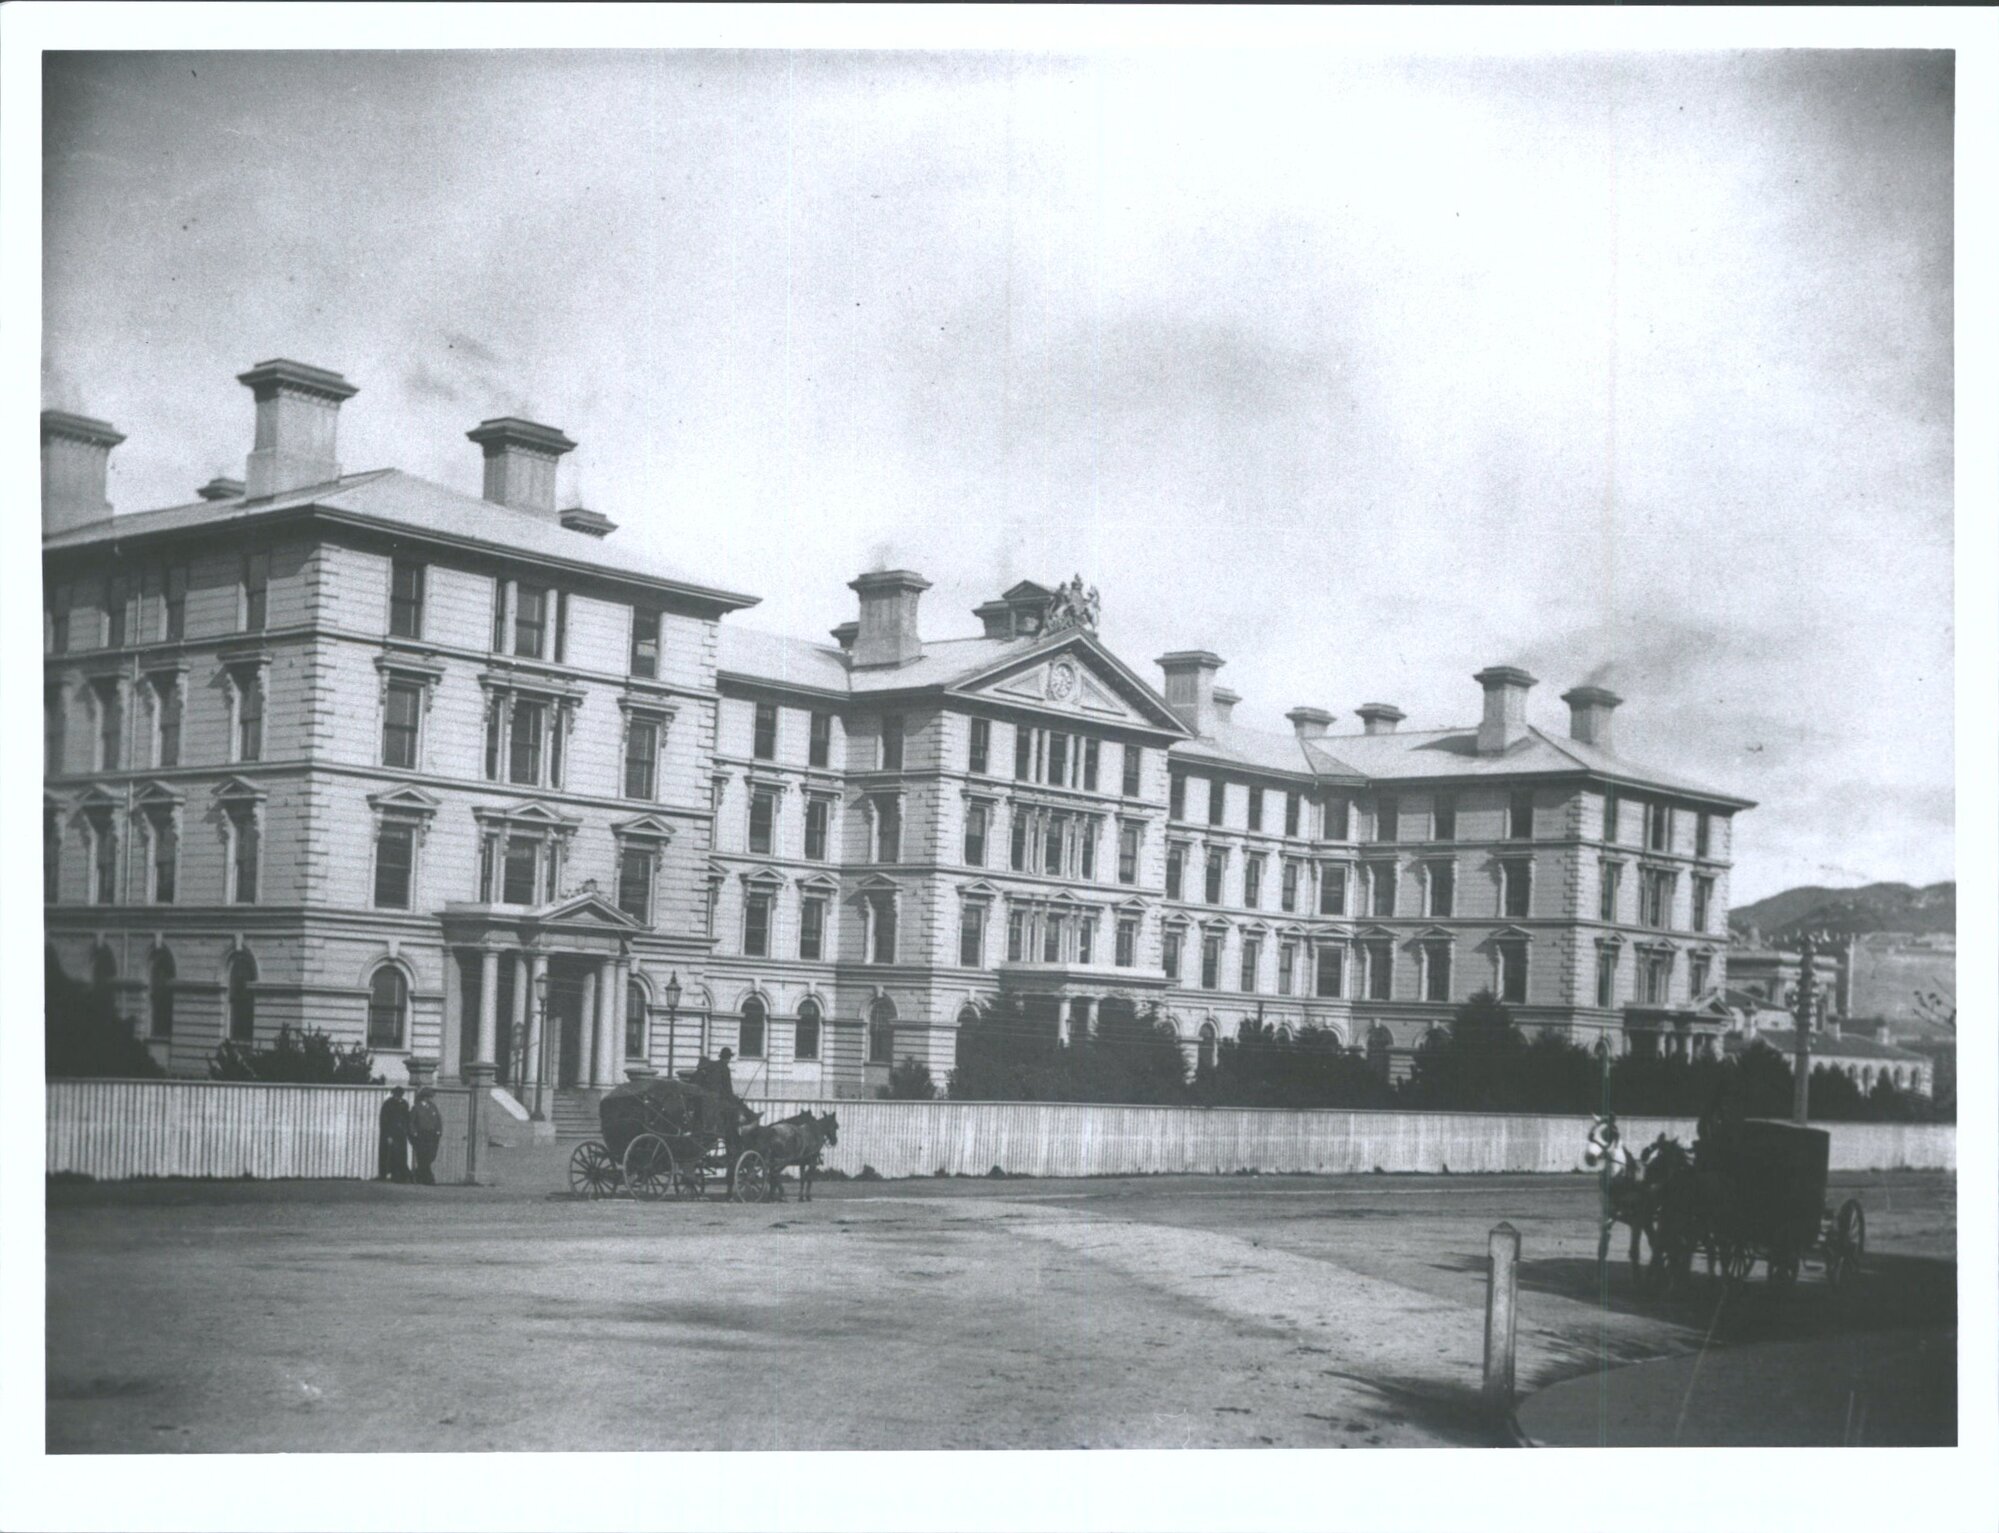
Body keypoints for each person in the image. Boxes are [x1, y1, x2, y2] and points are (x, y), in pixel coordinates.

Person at [692, 1047, 758, 1192]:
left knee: (733, 1105)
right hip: (719, 1101)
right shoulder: (724, 1068)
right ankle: (744, 1123)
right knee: (737, 1106)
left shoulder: (710, 1066)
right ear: (728, 1058)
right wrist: (736, 1099)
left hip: (706, 1100)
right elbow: (727, 1090)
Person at [409, 1087, 444, 1185]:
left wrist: (439, 1131)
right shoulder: (416, 1107)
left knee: (431, 1155)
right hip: (421, 1135)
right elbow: (411, 1122)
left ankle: (417, 1174)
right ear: (424, 1097)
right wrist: (414, 1133)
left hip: (432, 1135)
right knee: (423, 1157)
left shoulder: (433, 1107)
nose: (430, 1099)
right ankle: (428, 1179)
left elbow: (438, 1120)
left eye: (430, 1097)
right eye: (428, 1097)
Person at [377, 1086, 411, 1183]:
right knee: (389, 1154)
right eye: (397, 1094)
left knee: (400, 1154)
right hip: (391, 1132)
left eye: (400, 1094)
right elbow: (384, 1120)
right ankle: (385, 1174)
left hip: (401, 1133)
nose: (398, 1096)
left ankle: (399, 1175)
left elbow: (407, 1118)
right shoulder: (388, 1104)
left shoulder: (404, 1104)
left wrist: (406, 1130)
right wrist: (387, 1135)